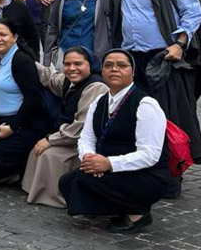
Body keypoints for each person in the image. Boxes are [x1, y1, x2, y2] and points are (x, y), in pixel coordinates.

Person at [107, 0, 201, 188]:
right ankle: (145, 172)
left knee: (170, 119)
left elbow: (193, 10)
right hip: (133, 61)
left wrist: (180, 44)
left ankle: (171, 178)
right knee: (141, 118)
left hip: (163, 57)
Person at [59, 49, 170, 233]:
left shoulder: (146, 105)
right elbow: (86, 137)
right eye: (108, 65)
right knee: (68, 181)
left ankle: (138, 214)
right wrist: (89, 159)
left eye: (122, 65)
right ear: (102, 71)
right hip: (108, 167)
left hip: (146, 175)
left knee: (82, 181)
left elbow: (150, 155)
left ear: (132, 71)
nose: (114, 70)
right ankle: (114, 208)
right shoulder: (99, 102)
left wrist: (108, 163)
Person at [0, 19, 51, 187]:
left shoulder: (21, 61)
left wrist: (12, 127)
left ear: (15, 36)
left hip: (23, 125)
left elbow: (33, 98)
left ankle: (17, 170)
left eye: (3, 35)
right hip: (0, 122)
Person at [21, 46, 107, 208]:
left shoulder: (96, 87)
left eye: (78, 64)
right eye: (67, 64)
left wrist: (51, 140)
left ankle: (57, 196)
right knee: (37, 150)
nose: (71, 68)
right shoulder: (70, 82)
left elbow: (81, 125)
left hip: (82, 141)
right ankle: (38, 192)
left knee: (49, 155)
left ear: (90, 64)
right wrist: (24, 60)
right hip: (68, 135)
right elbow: (51, 77)